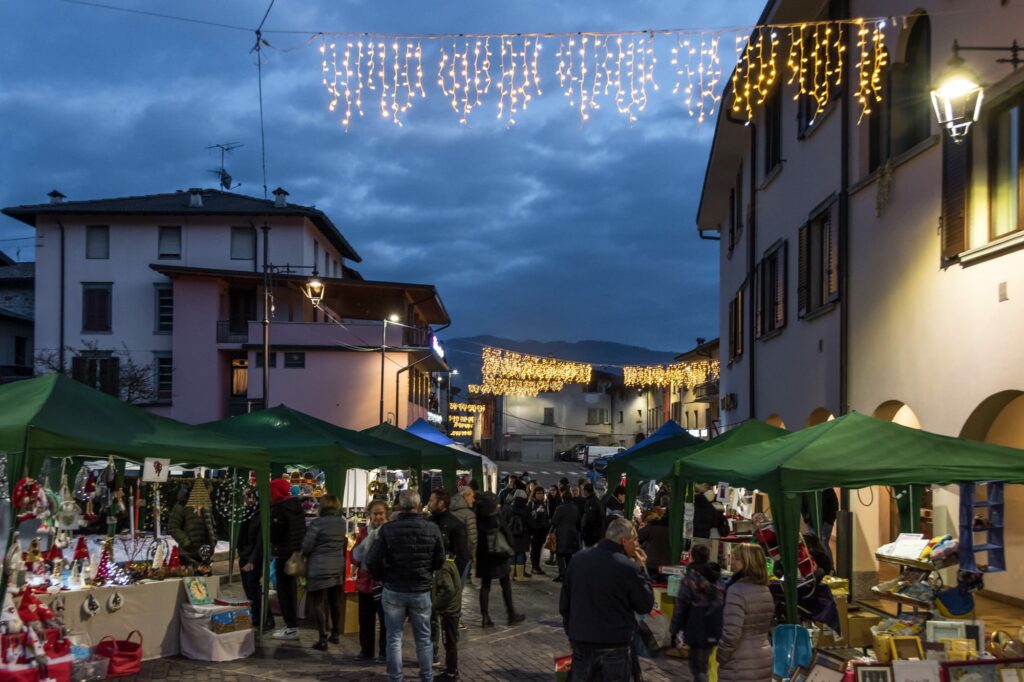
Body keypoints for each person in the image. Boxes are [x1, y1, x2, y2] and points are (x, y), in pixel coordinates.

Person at [559, 518, 654, 681]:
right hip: (615, 644)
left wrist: (571, 633)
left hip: (582, 640)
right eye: (635, 539)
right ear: (624, 541)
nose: (637, 544)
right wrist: (642, 570)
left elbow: (565, 604)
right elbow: (645, 605)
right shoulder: (628, 568)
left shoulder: (578, 559)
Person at [365, 490, 445, 682]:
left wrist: (381, 577)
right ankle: (427, 677)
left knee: (394, 638)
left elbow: (371, 559)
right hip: (420, 590)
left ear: (400, 507)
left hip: (393, 589)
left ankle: (396, 678)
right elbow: (439, 560)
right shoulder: (432, 528)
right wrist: (426, 571)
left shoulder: (388, 529)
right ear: (418, 506)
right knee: (424, 639)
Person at [716, 544, 774, 682]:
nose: (733, 563)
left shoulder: (736, 590)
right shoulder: (765, 590)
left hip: (738, 663)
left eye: (736, 559)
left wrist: (721, 655)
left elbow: (731, 633)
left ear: (746, 562)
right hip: (763, 659)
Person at [670, 544, 724, 682]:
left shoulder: (690, 577)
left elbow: (681, 604)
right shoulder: (716, 576)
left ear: (692, 556)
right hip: (715, 623)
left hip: (697, 624)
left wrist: (675, 628)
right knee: (705, 661)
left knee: (697, 666)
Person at [302, 495, 347, 651]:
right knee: (335, 601)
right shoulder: (342, 523)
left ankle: (322, 638)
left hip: (319, 567)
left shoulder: (317, 523)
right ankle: (335, 633)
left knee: (318, 603)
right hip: (336, 567)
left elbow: (307, 546)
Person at [474, 491, 525, 627]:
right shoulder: (496, 516)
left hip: (483, 554)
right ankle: (511, 614)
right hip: (498, 554)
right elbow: (507, 532)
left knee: (485, 585)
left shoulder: (477, 516)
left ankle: (485, 617)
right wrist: (511, 547)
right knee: (505, 583)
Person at [351, 499, 389, 662]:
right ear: (370, 515)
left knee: (385, 620)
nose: (378, 517)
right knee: (365, 620)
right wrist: (360, 560)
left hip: (383, 583)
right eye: (375, 513)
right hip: (365, 582)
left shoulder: (389, 531)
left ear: (386, 514)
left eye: (381, 513)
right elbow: (355, 555)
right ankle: (366, 651)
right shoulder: (364, 532)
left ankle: (384, 652)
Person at [269, 477, 306, 640]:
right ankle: (292, 625)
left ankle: (290, 626)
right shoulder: (296, 507)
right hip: (295, 555)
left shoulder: (279, 509)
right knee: (291, 590)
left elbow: (276, 534)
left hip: (283, 554)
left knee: (284, 592)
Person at [431, 554, 462, 682]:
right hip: (452, 609)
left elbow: (448, 590)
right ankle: (451, 669)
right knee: (450, 640)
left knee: (449, 641)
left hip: (449, 611)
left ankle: (451, 672)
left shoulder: (442, 567)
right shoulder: (448, 562)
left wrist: (435, 604)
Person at [428, 489, 471, 576]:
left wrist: (453, 579)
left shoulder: (456, 525)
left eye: (431, 501)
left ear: (441, 503)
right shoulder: (429, 522)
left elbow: (462, 556)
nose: (428, 504)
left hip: (446, 576)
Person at [549, 491, 580, 583]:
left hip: (562, 535)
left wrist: (550, 531)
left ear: (562, 498)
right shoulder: (575, 507)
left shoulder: (560, 508)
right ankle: (569, 575)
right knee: (569, 556)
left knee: (559, 556)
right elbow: (578, 521)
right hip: (572, 534)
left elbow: (554, 521)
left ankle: (562, 575)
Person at [450, 488, 477, 586]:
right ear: (466, 496)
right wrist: (474, 556)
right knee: (458, 585)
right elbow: (472, 538)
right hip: (464, 555)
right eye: (472, 497)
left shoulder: (450, 510)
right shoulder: (469, 514)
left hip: (450, 554)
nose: (473, 500)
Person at [502, 489, 532, 580]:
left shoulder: (508, 508)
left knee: (512, 554)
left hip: (510, 535)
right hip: (523, 535)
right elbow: (530, 523)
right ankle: (520, 576)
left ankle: (511, 576)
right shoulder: (526, 509)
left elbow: (503, 521)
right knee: (520, 554)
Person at [637, 509, 672, 581]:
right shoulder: (676, 528)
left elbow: (639, 535)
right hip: (668, 565)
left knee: (651, 587)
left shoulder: (654, 525)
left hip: (652, 563)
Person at [527, 487, 550, 576]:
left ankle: (537, 566)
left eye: (541, 493)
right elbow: (529, 518)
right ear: (534, 494)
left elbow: (545, 516)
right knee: (534, 549)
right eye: (538, 493)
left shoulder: (543, 503)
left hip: (542, 530)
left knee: (538, 549)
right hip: (535, 530)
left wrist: (547, 526)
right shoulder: (531, 504)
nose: (540, 495)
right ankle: (534, 567)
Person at [579, 483, 605, 548]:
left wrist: (584, 531)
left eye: (582, 490)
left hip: (591, 534)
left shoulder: (591, 502)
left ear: (586, 491)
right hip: (597, 533)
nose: (582, 492)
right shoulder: (596, 500)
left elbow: (589, 519)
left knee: (589, 552)